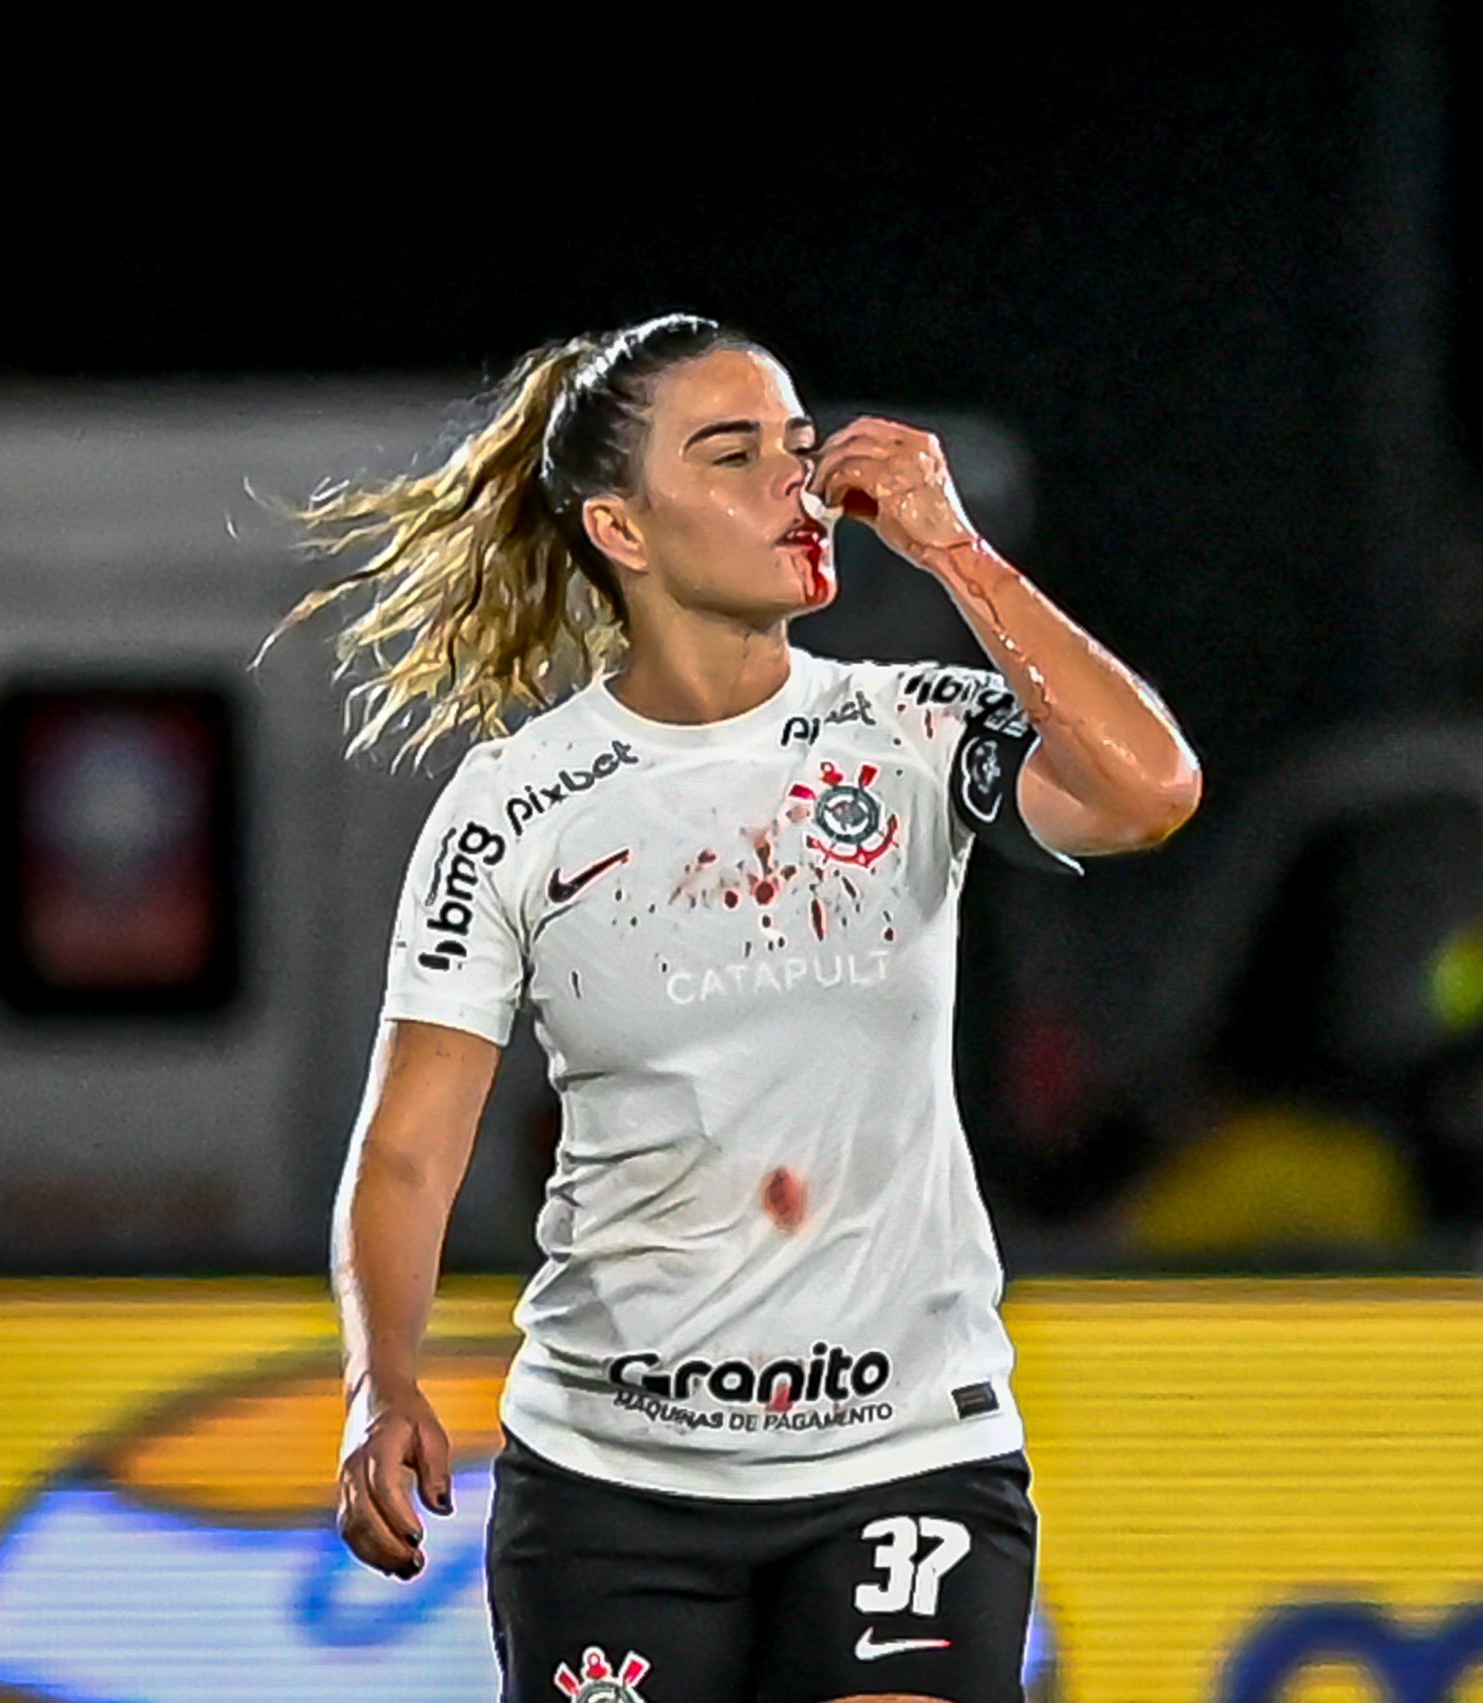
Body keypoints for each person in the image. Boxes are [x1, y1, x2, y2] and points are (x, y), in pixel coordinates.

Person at [281, 314, 1201, 1703]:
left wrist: (955, 551)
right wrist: (381, 1379)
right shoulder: (514, 809)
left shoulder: (909, 732)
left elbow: (1150, 792)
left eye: (796, 442)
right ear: (624, 530)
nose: (797, 480)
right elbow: (412, 1141)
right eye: (733, 454)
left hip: (905, 1460)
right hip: (616, 1485)